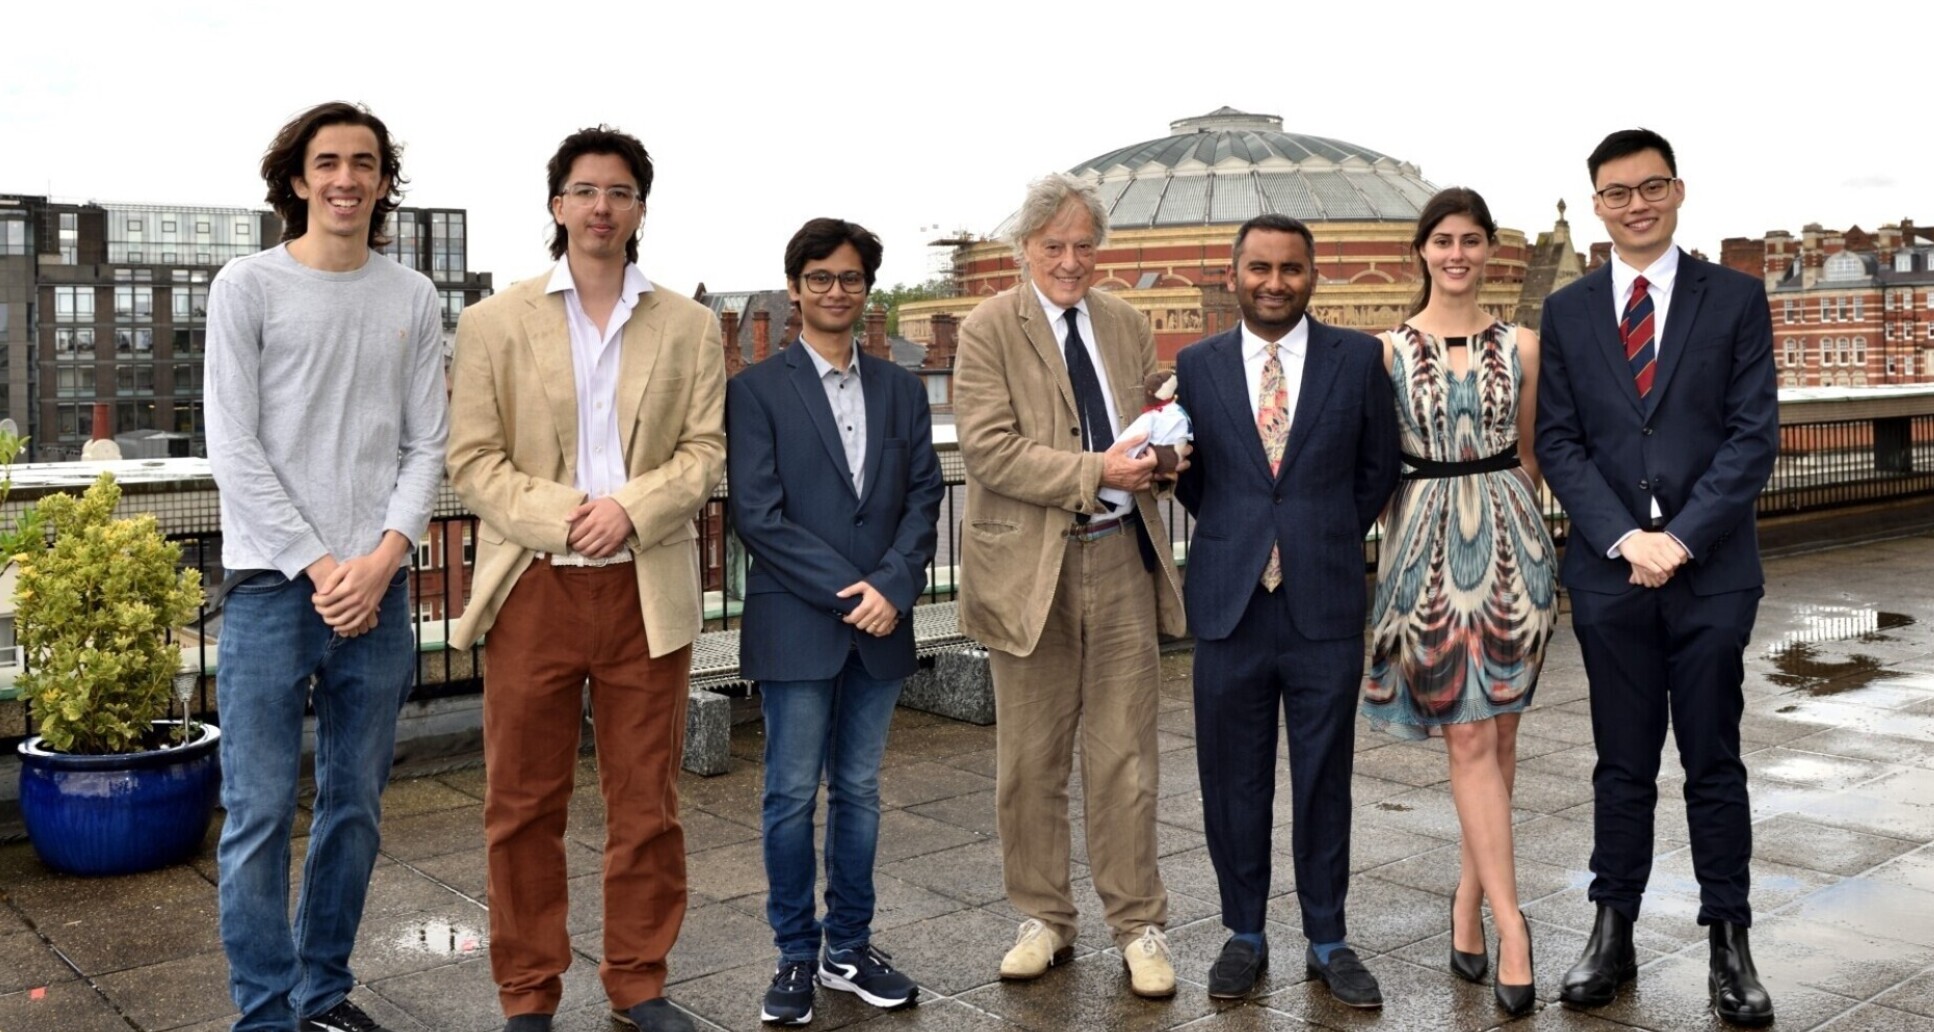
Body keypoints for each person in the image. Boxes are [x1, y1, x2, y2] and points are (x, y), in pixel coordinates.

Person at [445, 126, 725, 1032]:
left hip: (646, 586)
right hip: (534, 585)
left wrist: (630, 511)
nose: (602, 207)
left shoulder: (690, 325)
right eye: (586, 190)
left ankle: (638, 981)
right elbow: (472, 461)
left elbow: (704, 453)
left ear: (640, 209)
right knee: (522, 804)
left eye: (620, 192)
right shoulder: (493, 323)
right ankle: (528, 992)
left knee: (647, 802)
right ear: (557, 204)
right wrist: (568, 516)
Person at [206, 100, 448, 1032]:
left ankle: (323, 994)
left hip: (378, 590)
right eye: (329, 162)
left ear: (384, 182)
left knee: (356, 809)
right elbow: (234, 447)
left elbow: (426, 445)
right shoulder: (248, 286)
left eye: (364, 163)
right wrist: (320, 566)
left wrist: (383, 560)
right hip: (273, 588)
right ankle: (266, 1014)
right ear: (298, 179)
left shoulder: (412, 296)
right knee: (259, 814)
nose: (347, 178)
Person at [1536, 128, 1778, 1026]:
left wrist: (1677, 538)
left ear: (1677, 191)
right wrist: (1621, 538)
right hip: (1611, 578)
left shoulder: (1735, 298)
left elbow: (1753, 436)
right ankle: (1613, 930)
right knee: (1621, 763)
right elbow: (1558, 441)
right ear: (1597, 204)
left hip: (1711, 575)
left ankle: (1730, 942)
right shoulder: (1568, 311)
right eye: (1616, 192)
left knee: (1714, 760)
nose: (1634, 204)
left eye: (1650, 187)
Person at [953, 172, 1187, 999]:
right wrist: (1098, 471)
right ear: (1026, 247)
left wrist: (1167, 454)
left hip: (1121, 557)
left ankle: (1138, 924)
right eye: (1054, 245)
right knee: (1030, 760)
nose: (1070, 260)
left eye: (1085, 245)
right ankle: (1042, 919)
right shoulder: (987, 327)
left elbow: (1151, 426)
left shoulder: (1125, 323)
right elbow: (988, 450)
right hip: (1029, 570)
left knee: (1127, 757)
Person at [1174, 213, 1400, 1007]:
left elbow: (1377, 468)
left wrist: (1319, 532)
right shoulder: (1195, 365)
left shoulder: (1358, 359)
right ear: (1233, 275)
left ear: (1313, 275)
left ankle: (1328, 937)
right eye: (1259, 268)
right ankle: (1244, 933)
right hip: (1229, 605)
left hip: (1323, 603)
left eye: (1291, 269)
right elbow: (1194, 480)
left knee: (1324, 778)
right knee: (1231, 780)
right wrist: (1249, 534)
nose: (1275, 283)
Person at [726, 217, 944, 1026]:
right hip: (799, 623)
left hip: (883, 623)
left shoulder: (900, 388)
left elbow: (924, 495)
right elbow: (759, 516)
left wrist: (893, 587)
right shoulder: (755, 391)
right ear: (794, 289)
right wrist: (856, 592)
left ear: (866, 289)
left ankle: (847, 949)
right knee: (789, 795)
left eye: (850, 278)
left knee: (858, 791)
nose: (835, 291)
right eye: (819, 277)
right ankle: (794, 953)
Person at [1359, 188, 1556, 1016]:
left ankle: (1468, 902)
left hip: (1515, 550)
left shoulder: (1524, 345)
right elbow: (1374, 466)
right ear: (1422, 251)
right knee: (1468, 734)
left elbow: (1533, 455)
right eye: (1443, 240)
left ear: (1488, 251)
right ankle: (1514, 927)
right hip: (1425, 555)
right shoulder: (1384, 353)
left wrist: (1519, 535)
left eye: (1471, 240)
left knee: (1499, 733)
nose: (1457, 254)